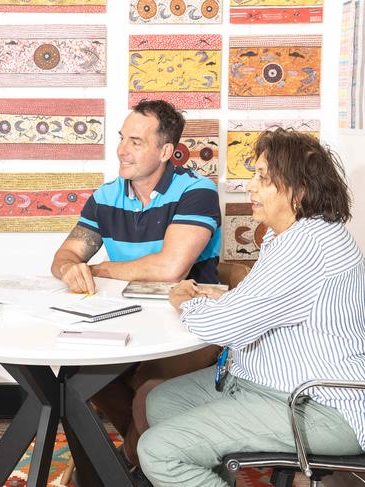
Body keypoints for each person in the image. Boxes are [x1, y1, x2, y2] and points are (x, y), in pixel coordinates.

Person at [138, 128, 365, 487]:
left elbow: (225, 329)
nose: (249, 186)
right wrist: (222, 301)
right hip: (267, 383)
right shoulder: (289, 235)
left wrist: (186, 303)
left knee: (159, 449)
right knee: (162, 402)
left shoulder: (306, 246)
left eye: (263, 178)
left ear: (299, 192)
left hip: (316, 404)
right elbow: (269, 305)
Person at [50, 100, 222, 468]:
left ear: (165, 151)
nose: (122, 150)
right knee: (76, 377)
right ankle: (133, 463)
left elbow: (170, 268)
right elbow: (65, 255)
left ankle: (126, 467)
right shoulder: (106, 196)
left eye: (136, 142)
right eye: (122, 138)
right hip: (127, 320)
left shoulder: (197, 191)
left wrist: (99, 269)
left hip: (190, 326)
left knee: (149, 391)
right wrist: (68, 268)